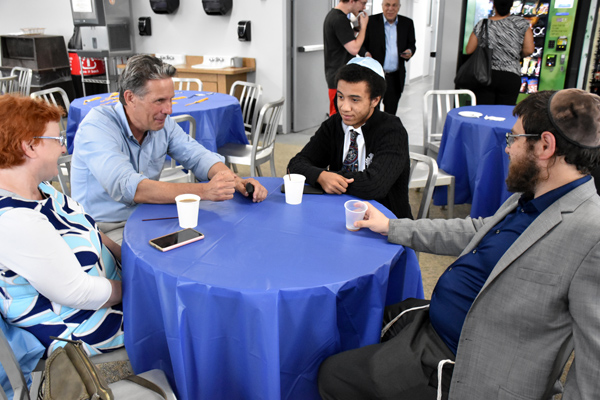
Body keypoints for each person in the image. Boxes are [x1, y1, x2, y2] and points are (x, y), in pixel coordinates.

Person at [318, 89, 600, 399]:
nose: (507, 149)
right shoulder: (535, 195)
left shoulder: (591, 233)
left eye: (513, 139)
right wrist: (391, 226)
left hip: (462, 368)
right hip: (435, 323)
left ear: (545, 145)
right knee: (357, 318)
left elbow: (593, 369)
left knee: (332, 374)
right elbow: (478, 230)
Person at [71, 55, 267, 243]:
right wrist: (205, 191)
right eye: (159, 101)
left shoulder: (162, 124)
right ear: (130, 98)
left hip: (150, 215)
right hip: (104, 229)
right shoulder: (97, 126)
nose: (169, 110)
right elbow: (129, 187)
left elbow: (199, 157)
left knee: (213, 241)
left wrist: (235, 181)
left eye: (170, 99)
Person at [0, 95, 124, 357]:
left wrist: (135, 262)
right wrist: (140, 288)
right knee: (183, 319)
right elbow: (78, 293)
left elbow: (93, 232)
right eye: (57, 140)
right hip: (76, 329)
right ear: (30, 147)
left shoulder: (40, 188)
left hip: (106, 297)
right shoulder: (14, 220)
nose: (64, 149)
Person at [288, 57, 412, 219]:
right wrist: (321, 176)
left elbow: (374, 186)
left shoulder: (392, 131)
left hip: (386, 221)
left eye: (354, 99)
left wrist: (332, 177)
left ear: (375, 100)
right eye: (340, 97)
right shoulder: (334, 125)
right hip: (339, 213)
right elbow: (295, 165)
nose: (344, 108)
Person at [464, 0, 534, 105]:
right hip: (511, 76)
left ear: (494, 6)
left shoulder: (483, 24)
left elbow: (469, 49)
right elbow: (529, 50)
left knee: (484, 111)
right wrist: (516, 55)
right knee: (504, 113)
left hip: (485, 74)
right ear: (511, 6)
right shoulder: (522, 24)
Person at [363, 0, 416, 115]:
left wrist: (409, 51)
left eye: (394, 5)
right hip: (374, 76)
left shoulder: (407, 23)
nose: (390, 9)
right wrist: (366, 54)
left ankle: (387, 133)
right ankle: (373, 133)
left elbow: (412, 44)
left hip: (395, 77)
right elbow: (362, 44)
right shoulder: (371, 22)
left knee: (391, 113)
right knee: (372, 111)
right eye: (387, 5)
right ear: (382, 6)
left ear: (399, 7)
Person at [324, 0, 369, 116]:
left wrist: (357, 29)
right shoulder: (339, 19)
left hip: (338, 76)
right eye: (363, 3)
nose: (364, 7)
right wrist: (364, 27)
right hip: (338, 78)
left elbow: (344, 39)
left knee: (342, 117)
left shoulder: (337, 17)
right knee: (338, 118)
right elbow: (354, 49)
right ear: (352, 1)